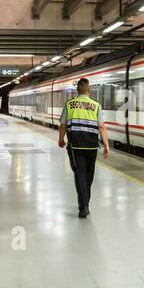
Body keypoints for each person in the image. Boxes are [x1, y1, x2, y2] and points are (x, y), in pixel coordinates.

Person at [58, 78, 109, 218]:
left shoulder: (69, 104)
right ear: (89, 90)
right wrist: (106, 144)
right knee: (89, 174)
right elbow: (101, 126)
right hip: (92, 146)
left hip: (75, 145)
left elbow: (62, 125)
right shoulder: (96, 105)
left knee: (79, 173)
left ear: (77, 90)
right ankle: (85, 203)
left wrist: (61, 139)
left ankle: (84, 205)